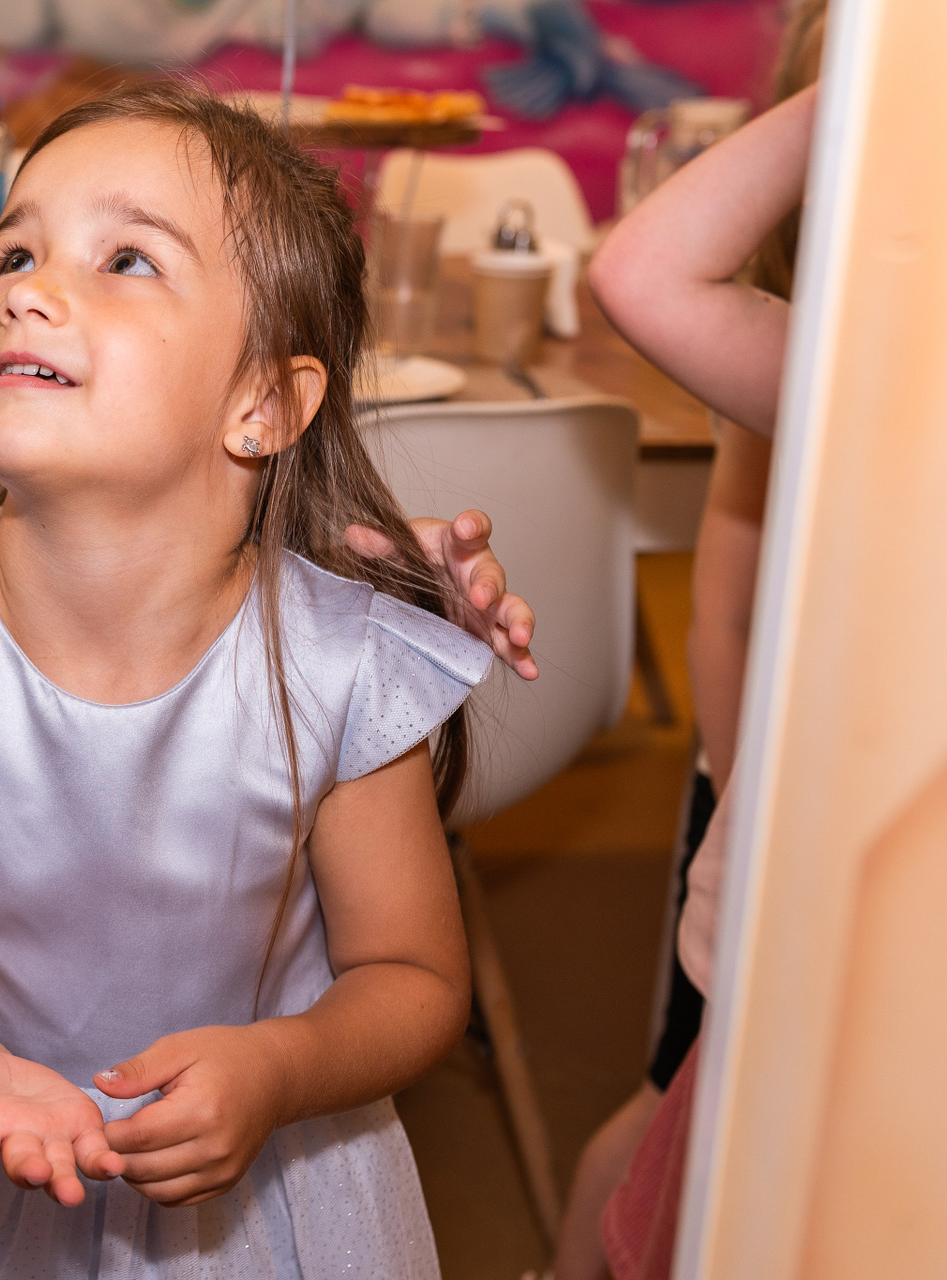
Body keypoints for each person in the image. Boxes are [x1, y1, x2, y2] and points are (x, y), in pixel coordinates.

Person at [0, 82, 514, 1279]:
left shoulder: (338, 667)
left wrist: (280, 1068)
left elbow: (413, 975)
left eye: (126, 259)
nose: (24, 290)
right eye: (14, 252)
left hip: (265, 1206)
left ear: (261, 402)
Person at [569, 3, 825, 1273]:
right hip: (776, 853)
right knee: (674, 1132)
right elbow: (641, 270)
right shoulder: (852, 365)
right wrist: (885, 85)